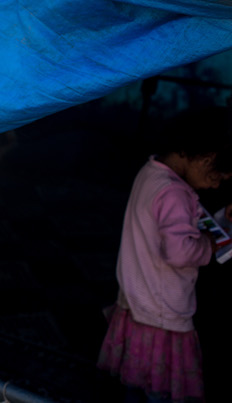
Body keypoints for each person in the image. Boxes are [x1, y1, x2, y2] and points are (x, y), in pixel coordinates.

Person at [97, 107, 232, 402]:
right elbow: (178, 251)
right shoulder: (175, 193)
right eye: (218, 174)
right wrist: (209, 244)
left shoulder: (150, 173)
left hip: (136, 302)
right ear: (203, 157)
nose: (217, 183)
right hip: (162, 313)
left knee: (135, 383)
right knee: (158, 391)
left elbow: (173, 226)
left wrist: (221, 221)